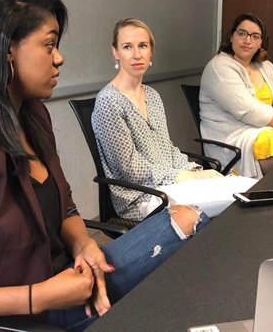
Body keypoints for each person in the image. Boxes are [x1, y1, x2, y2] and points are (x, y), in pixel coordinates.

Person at [0, 0, 209, 332]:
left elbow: (66, 208)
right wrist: (40, 296)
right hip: (21, 316)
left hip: (65, 282)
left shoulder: (32, 115)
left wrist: (84, 244)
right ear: (6, 50)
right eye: (49, 44)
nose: (59, 57)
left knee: (191, 220)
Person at [92, 18, 225, 221]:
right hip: (139, 198)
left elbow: (167, 149)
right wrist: (184, 177)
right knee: (212, 213)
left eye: (143, 46)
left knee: (227, 195)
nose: (137, 54)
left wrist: (195, 170)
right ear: (115, 52)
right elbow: (129, 169)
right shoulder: (109, 101)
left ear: (151, 51)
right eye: (127, 47)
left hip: (168, 186)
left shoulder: (152, 95)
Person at [200, 13, 273, 179]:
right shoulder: (219, 67)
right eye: (242, 33)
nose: (247, 40)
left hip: (269, 134)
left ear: (261, 43)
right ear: (231, 36)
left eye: (255, 36)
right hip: (235, 142)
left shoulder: (266, 67)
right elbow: (252, 113)